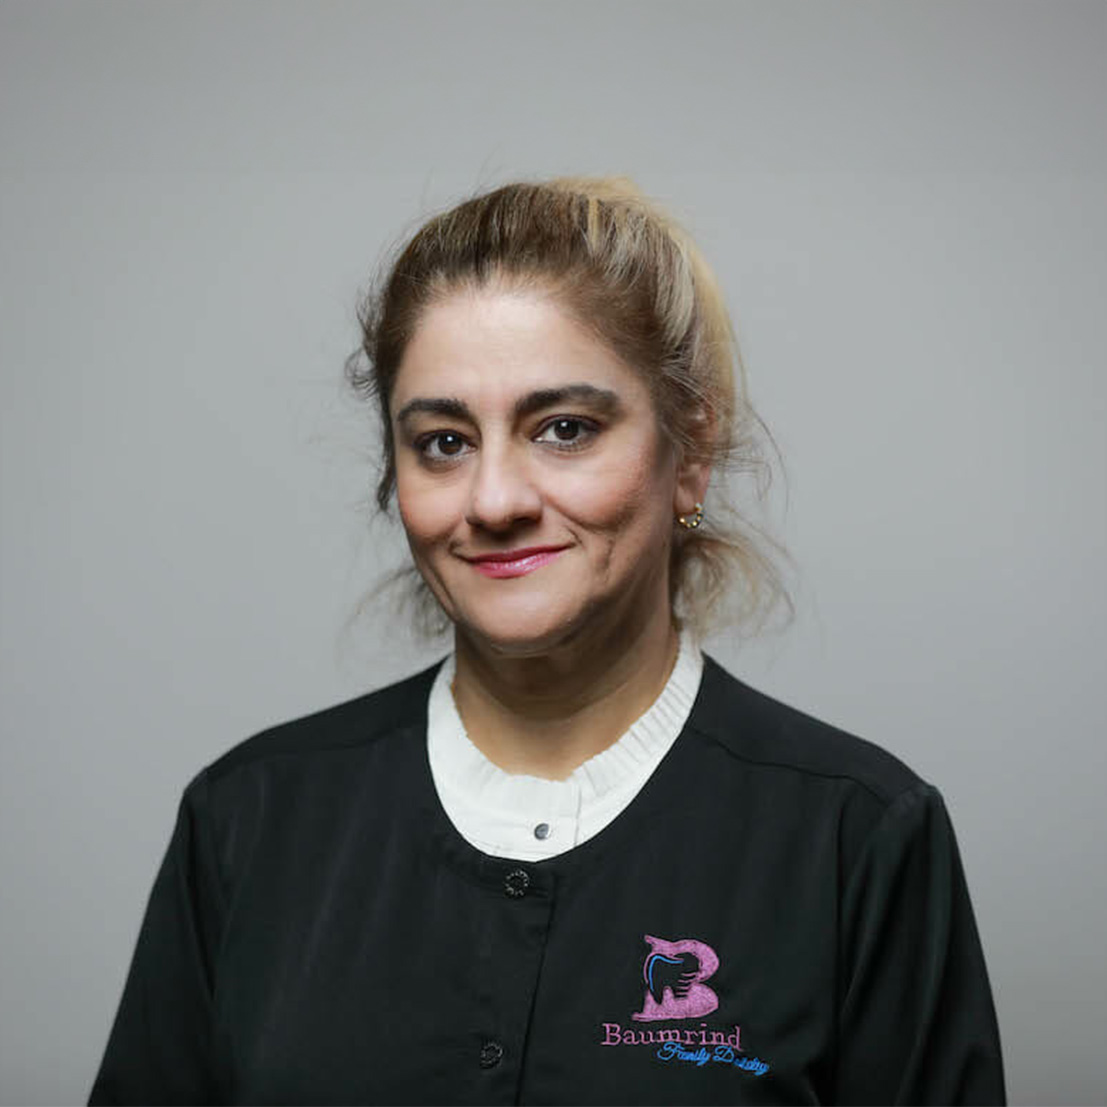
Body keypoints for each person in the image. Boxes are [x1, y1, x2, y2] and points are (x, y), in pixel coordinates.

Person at [89, 177, 1005, 1105]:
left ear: (687, 452)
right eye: (443, 442)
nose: (494, 501)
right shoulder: (250, 817)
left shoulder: (855, 834)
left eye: (563, 429)